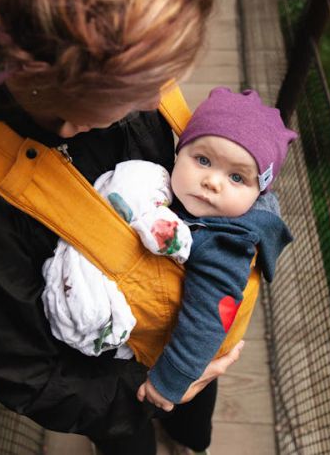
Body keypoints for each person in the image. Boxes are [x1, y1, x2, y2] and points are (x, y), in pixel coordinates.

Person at [0, 0, 242, 453]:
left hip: (187, 324)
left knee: (193, 425)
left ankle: (189, 440)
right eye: (142, 84)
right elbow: (27, 374)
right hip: (110, 388)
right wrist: (155, 391)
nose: (162, 92)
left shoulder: (138, 94)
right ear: (71, 85)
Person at [40, 87, 296, 411]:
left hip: (191, 357)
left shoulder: (226, 243)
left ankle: (191, 441)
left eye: (236, 177)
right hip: (176, 341)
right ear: (180, 152)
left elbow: (210, 315)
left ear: (257, 193)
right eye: (203, 160)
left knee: (192, 412)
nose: (212, 182)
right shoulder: (194, 203)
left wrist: (172, 381)